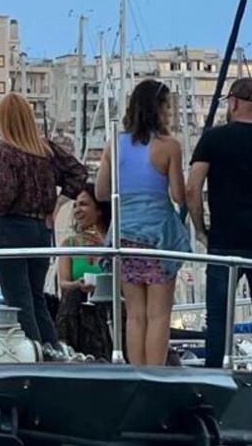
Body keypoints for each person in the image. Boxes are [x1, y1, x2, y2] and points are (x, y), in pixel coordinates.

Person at [96, 79, 189, 366]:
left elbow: (100, 191)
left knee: (135, 314)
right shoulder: (169, 146)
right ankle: (157, 374)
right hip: (158, 238)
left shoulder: (115, 144)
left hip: (125, 236)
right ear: (159, 109)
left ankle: (136, 372)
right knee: (159, 314)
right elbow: (177, 195)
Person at [0, 92, 86, 347]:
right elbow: (78, 173)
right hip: (41, 228)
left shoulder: (4, 153)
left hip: (10, 229)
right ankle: (51, 351)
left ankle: (32, 355)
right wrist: (57, 204)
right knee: (36, 297)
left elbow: (2, 198)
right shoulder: (46, 150)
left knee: (18, 299)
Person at [188, 77, 252, 367]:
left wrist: (200, 229)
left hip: (224, 240)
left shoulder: (213, 139)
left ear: (234, 102)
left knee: (218, 316)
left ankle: (215, 378)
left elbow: (193, 188)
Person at [55, 185, 114, 360]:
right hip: (79, 305)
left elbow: (125, 278)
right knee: (73, 295)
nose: (77, 210)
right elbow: (63, 283)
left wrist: (105, 248)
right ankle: (68, 350)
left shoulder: (113, 242)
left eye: (83, 204)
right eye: (75, 205)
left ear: (99, 210)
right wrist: (77, 284)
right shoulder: (70, 244)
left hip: (108, 304)